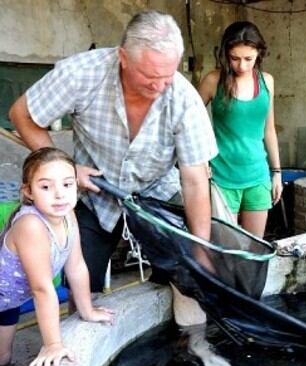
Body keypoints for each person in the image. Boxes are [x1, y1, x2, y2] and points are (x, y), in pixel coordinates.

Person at [9, 10, 216, 295]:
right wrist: (68, 171)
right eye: (149, 76)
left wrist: (200, 248)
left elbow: (194, 182)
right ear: (123, 58)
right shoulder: (81, 74)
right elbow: (23, 114)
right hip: (95, 195)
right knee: (82, 281)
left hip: (157, 194)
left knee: (182, 278)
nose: (158, 88)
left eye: (166, 77)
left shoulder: (184, 99)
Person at [0, 147, 114, 366]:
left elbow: (76, 266)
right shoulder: (31, 225)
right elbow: (42, 289)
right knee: (1, 359)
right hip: (3, 300)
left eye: (67, 184)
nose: (60, 194)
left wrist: (86, 309)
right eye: (46, 186)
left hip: (11, 299)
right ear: (29, 192)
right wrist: (52, 344)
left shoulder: (68, 216)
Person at [198, 21, 282, 238]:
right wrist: (201, 159)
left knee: (254, 248)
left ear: (259, 54)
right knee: (226, 250)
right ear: (225, 53)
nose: (242, 66)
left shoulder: (267, 82)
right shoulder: (212, 80)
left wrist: (277, 173)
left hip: (258, 176)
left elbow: (269, 130)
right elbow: (189, 122)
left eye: (248, 59)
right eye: (235, 58)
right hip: (222, 177)